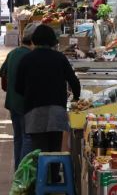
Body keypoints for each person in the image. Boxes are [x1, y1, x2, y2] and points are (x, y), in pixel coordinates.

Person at [15, 25, 80, 181]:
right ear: (52, 41)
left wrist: (31, 95)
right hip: (57, 110)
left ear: (34, 40)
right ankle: (54, 178)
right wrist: (76, 99)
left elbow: (18, 87)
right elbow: (74, 82)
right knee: (55, 148)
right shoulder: (59, 58)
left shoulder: (27, 59)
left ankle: (41, 181)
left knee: (39, 150)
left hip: (34, 111)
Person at [0, 23, 36, 170]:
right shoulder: (31, 57)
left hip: (12, 102)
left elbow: (2, 74)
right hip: (25, 103)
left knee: (18, 138)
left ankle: (17, 170)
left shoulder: (13, 53)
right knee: (28, 138)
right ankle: (22, 174)